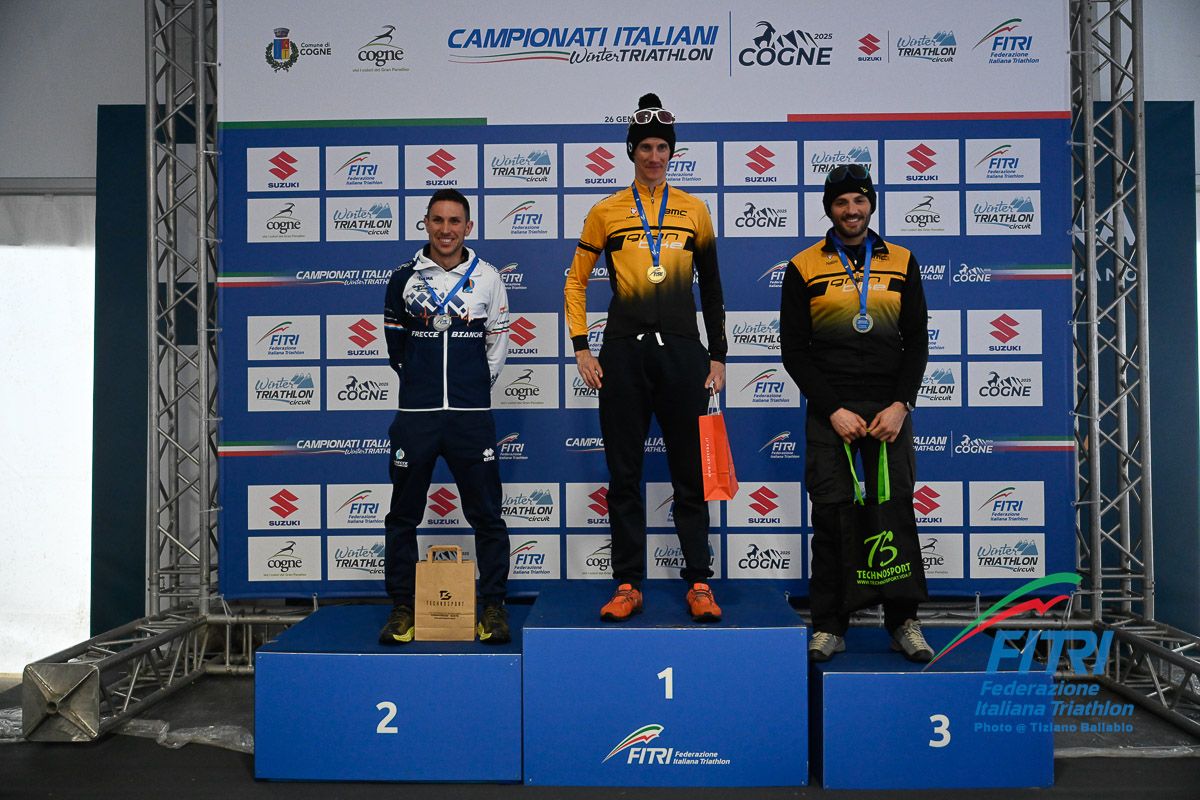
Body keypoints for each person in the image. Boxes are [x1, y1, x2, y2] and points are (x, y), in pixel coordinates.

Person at [564, 93, 728, 623]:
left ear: (671, 152)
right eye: (645, 148)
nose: (654, 157)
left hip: (683, 353)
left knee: (690, 475)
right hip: (623, 354)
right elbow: (575, 281)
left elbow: (713, 288)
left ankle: (698, 581)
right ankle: (628, 583)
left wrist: (718, 355)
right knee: (624, 476)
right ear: (631, 151)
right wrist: (581, 347)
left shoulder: (694, 210)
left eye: (662, 148)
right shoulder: (606, 211)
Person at [779, 165, 933, 662]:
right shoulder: (803, 266)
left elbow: (917, 340)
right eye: (842, 202)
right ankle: (829, 625)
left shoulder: (902, 260)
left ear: (871, 205)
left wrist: (901, 405)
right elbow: (793, 350)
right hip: (832, 412)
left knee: (896, 512)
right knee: (831, 517)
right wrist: (832, 409)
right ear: (830, 208)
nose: (852, 210)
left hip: (889, 410)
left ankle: (903, 622)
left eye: (860, 201)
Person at [378, 189, 512, 645]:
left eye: (455, 221)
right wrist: (421, 382)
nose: (446, 229)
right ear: (426, 224)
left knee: (487, 516)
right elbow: (396, 348)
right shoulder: (403, 278)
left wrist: (471, 387)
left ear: (468, 227)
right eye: (438, 220)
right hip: (416, 415)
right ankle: (402, 607)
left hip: (471, 417)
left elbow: (497, 344)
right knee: (402, 516)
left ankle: (493, 607)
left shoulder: (488, 278)